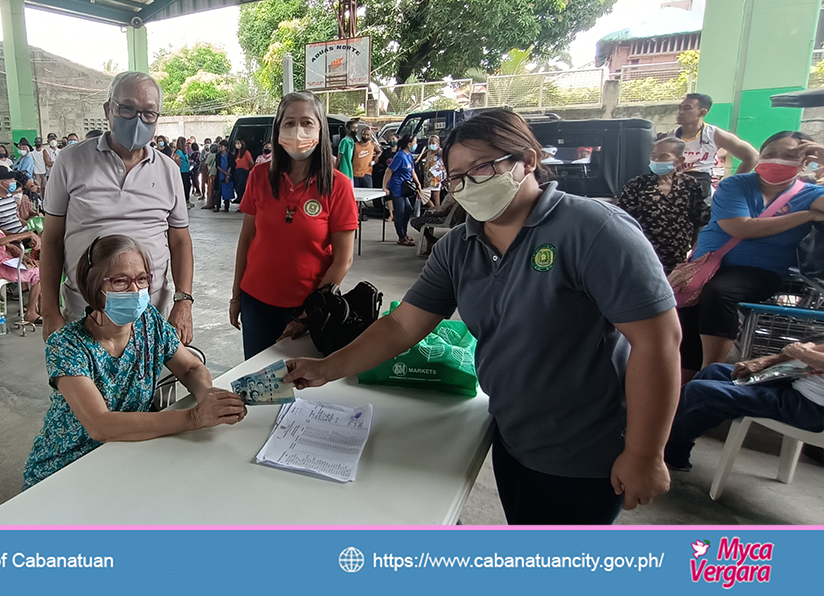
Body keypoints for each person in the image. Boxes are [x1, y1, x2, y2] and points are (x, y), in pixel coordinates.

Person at [284, 109, 683, 524]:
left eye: (483, 167)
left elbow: (658, 341)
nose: (468, 184)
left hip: (585, 451)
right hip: (510, 435)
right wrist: (327, 368)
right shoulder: (460, 246)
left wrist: (644, 454)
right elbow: (403, 325)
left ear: (527, 161)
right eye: (457, 176)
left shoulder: (593, 230)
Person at [23, 235, 245, 488]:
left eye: (141, 279)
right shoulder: (67, 344)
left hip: (130, 450)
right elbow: (100, 425)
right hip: (69, 465)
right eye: (119, 281)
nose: (135, 291)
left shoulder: (148, 322)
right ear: (93, 284)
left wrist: (206, 393)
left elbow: (191, 367)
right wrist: (194, 417)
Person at [40, 71, 196, 345]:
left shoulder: (168, 170)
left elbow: (180, 241)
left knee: (153, 386)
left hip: (150, 311)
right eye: (127, 108)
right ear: (108, 109)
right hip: (84, 312)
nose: (138, 119)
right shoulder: (70, 161)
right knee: (85, 387)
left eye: (148, 113)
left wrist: (183, 302)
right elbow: (51, 239)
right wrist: (50, 311)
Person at [677, 131, 824, 380]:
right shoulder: (736, 184)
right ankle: (680, 381)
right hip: (707, 265)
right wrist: (807, 215)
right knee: (688, 311)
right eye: (770, 154)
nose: (777, 160)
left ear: (804, 162)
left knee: (720, 293)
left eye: (789, 156)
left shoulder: (810, 194)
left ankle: (708, 372)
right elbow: (740, 227)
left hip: (759, 271)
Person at [229, 91, 358, 359]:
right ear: (278, 130)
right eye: (289, 123)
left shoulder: (338, 186)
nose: (297, 131)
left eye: (307, 122)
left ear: (321, 129)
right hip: (256, 303)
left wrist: (308, 315)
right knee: (259, 383)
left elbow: (343, 260)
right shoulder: (259, 176)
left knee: (302, 387)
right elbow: (247, 239)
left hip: (308, 308)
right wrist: (236, 295)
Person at [664, 339, 824, 471]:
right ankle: (675, 450)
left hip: (810, 406)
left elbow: (803, 351)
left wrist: (803, 353)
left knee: (699, 392)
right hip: (796, 380)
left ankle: (662, 451)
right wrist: (766, 361)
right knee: (714, 371)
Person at [615, 137, 711, 274]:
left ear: (679, 161)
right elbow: (623, 219)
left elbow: (698, 217)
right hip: (643, 253)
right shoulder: (637, 184)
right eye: (653, 156)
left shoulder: (690, 184)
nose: (656, 160)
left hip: (678, 256)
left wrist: (697, 249)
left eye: (663, 156)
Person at [666, 93, 761, 205]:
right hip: (675, 181)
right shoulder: (671, 136)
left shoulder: (714, 134)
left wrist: (733, 182)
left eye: (687, 108)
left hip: (700, 182)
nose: (681, 112)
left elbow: (752, 157)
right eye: (680, 108)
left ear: (702, 112)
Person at [384, 134, 423, 246]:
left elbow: (412, 171)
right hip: (397, 186)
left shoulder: (409, 156)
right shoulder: (400, 156)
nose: (416, 145)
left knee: (408, 209)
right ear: (409, 144)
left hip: (405, 187)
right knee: (400, 212)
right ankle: (401, 236)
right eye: (414, 142)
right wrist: (385, 187)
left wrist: (418, 184)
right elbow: (389, 171)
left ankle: (404, 233)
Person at [0, 165, 27, 235]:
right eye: (11, 180)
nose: (14, 181)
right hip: (10, 239)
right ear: (1, 183)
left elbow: (16, 217)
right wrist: (13, 236)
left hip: (22, 233)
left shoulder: (10, 196)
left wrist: (29, 225)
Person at [232, 138, 254, 207]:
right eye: (236, 143)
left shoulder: (246, 152)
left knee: (241, 188)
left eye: (238, 143)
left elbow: (251, 162)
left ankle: (243, 205)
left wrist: (247, 169)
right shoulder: (236, 153)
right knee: (237, 187)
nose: (237, 145)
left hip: (244, 171)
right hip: (237, 171)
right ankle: (240, 202)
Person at [173, 136, 193, 206]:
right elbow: (176, 158)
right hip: (182, 171)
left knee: (188, 185)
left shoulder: (184, 151)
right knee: (185, 186)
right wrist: (179, 165)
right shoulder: (179, 151)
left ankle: (187, 200)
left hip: (186, 170)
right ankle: (185, 201)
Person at [199, 142, 217, 209]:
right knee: (215, 189)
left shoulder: (211, 155)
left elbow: (206, 164)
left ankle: (209, 203)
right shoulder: (218, 155)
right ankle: (215, 202)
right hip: (217, 173)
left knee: (210, 189)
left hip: (211, 173)